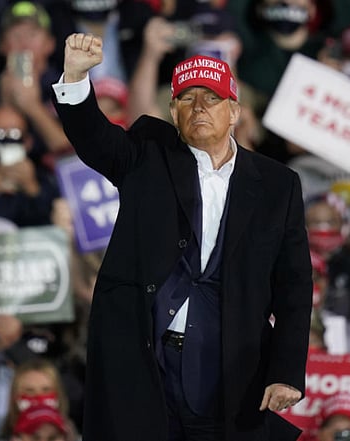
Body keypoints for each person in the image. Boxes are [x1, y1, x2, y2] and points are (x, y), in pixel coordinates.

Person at [52, 35, 312, 440]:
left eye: (211, 98)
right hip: (144, 364)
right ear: (173, 111)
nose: (199, 108)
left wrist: (285, 373)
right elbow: (94, 140)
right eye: (188, 99)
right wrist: (75, 76)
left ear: (235, 111)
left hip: (230, 367)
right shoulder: (148, 152)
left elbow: (294, 287)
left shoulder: (279, 185)